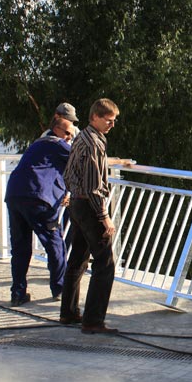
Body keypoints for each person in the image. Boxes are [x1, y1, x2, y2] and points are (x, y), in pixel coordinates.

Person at [60, 98, 133, 334]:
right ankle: (93, 321)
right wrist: (105, 217)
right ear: (95, 117)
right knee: (105, 264)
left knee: (78, 260)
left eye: (114, 121)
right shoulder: (93, 143)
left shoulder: (81, 138)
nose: (112, 124)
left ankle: (69, 313)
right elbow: (94, 186)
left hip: (77, 204)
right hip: (89, 207)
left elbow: (68, 173)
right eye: (108, 120)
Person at [4, 118, 73, 306]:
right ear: (56, 129)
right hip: (38, 198)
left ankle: (17, 293)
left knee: (20, 247)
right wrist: (118, 161)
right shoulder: (57, 144)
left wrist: (65, 192)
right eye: (67, 133)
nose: (69, 138)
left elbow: (49, 170)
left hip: (14, 195)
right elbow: (85, 159)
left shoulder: (37, 144)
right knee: (55, 243)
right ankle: (60, 289)